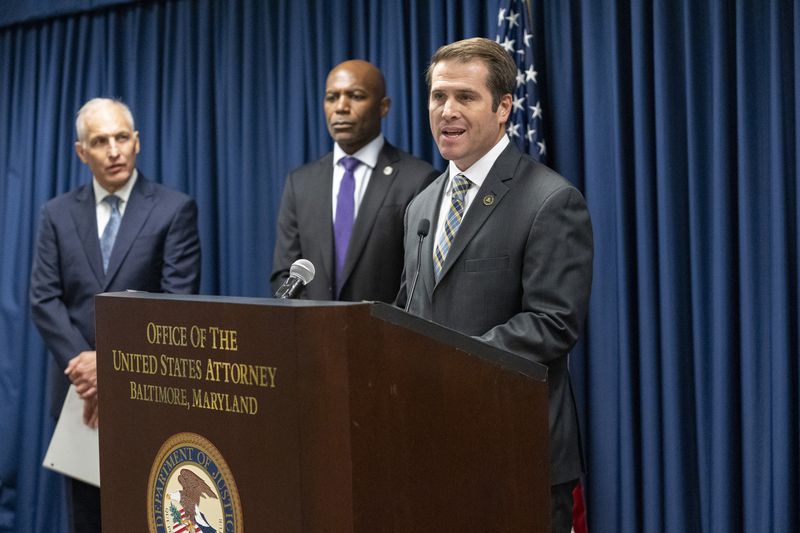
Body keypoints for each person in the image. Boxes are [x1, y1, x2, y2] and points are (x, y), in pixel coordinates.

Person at [396, 38, 593, 533]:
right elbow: (408, 310)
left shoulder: (550, 200)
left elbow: (552, 324)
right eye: (438, 96)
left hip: (514, 449)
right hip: (431, 450)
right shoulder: (421, 207)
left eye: (465, 97)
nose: (447, 111)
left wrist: (448, 365)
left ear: (504, 107)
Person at [30, 97, 202, 533]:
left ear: (137, 142)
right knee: (87, 520)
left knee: (146, 518)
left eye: (122, 138)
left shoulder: (173, 209)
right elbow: (44, 300)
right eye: (100, 141)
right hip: (79, 398)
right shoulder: (56, 213)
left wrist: (108, 367)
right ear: (80, 151)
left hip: (148, 390)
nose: (114, 151)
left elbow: (176, 304)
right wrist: (87, 372)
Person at [271, 59, 437, 302]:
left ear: (383, 107)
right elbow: (285, 273)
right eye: (331, 97)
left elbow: (416, 281)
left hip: (384, 336)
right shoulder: (301, 183)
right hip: (313, 336)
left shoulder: (419, 179)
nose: (341, 107)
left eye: (356, 96)